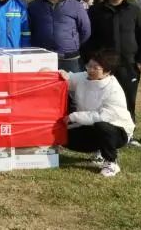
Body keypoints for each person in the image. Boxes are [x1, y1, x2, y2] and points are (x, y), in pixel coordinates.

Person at [82, 0, 141, 146]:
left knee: (127, 100)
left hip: (128, 65)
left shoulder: (134, 10)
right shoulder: (95, 11)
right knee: (100, 101)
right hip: (102, 67)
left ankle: (128, 135)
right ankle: (101, 136)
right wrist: (89, 61)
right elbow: (88, 38)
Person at [57, 49, 135, 177]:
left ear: (107, 71)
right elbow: (68, 79)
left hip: (117, 130)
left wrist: (74, 116)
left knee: (102, 126)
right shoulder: (83, 77)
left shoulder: (113, 89)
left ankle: (111, 162)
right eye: (89, 66)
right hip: (88, 125)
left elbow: (103, 116)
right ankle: (99, 150)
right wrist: (58, 73)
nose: (90, 70)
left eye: (95, 68)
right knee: (60, 136)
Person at [27, 0, 91, 73]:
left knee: (71, 83)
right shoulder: (33, 6)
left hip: (69, 58)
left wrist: (72, 43)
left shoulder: (76, 6)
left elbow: (85, 30)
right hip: (42, 58)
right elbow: (28, 29)